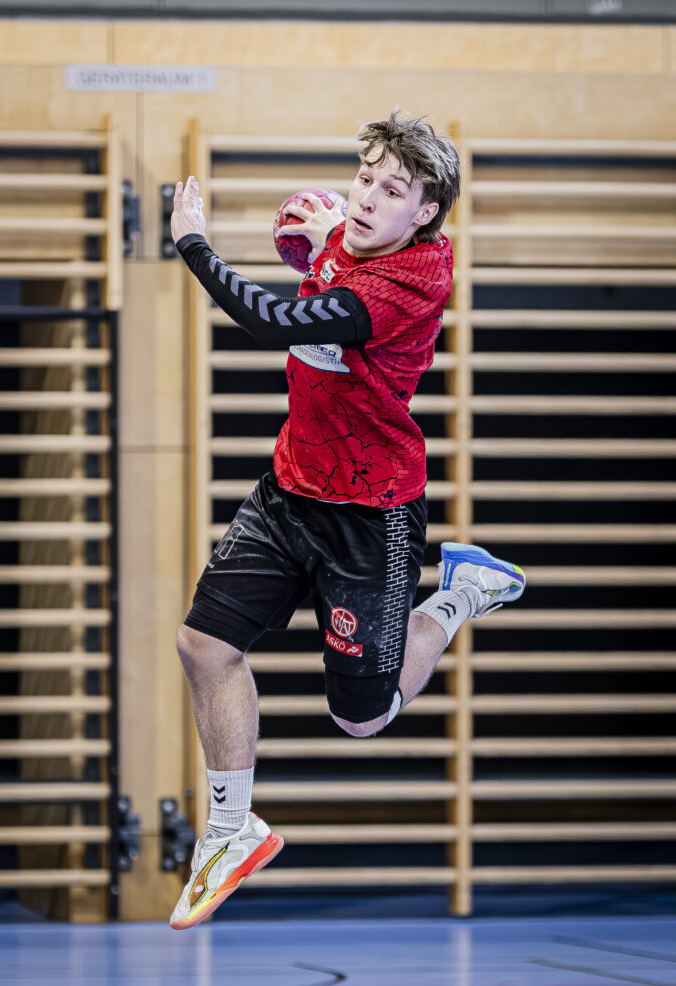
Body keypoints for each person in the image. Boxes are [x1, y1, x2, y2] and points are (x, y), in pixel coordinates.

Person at [168, 111, 525, 930]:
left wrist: (194, 243)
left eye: (392, 191)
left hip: (371, 513)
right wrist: (318, 231)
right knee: (204, 646)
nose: (366, 198)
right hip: (291, 487)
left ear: (424, 214)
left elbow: (275, 323)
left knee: (360, 718)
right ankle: (230, 830)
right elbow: (328, 241)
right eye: (365, 178)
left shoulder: (406, 284)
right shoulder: (350, 236)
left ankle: (461, 594)